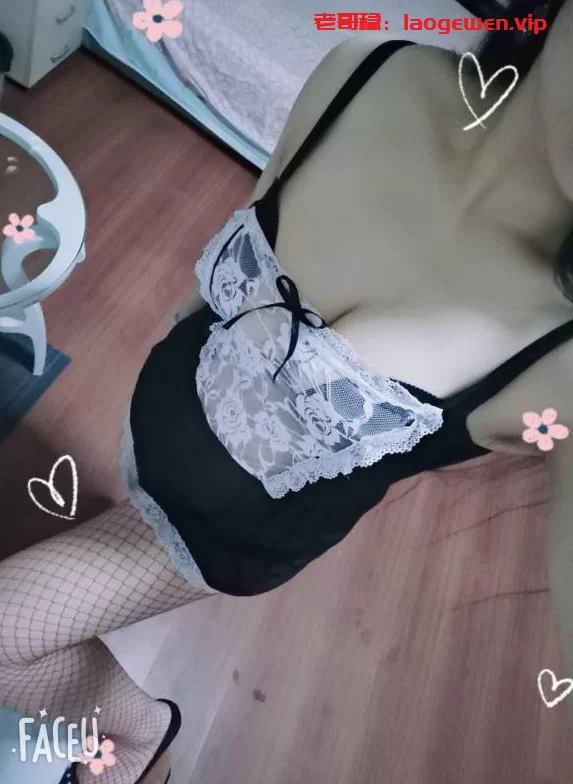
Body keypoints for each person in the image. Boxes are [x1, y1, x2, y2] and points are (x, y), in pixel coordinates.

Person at [2, 0, 573, 781]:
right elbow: (244, 226)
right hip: (156, 418)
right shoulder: (371, 72)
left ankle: (141, 738)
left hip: (217, 532)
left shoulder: (560, 357)